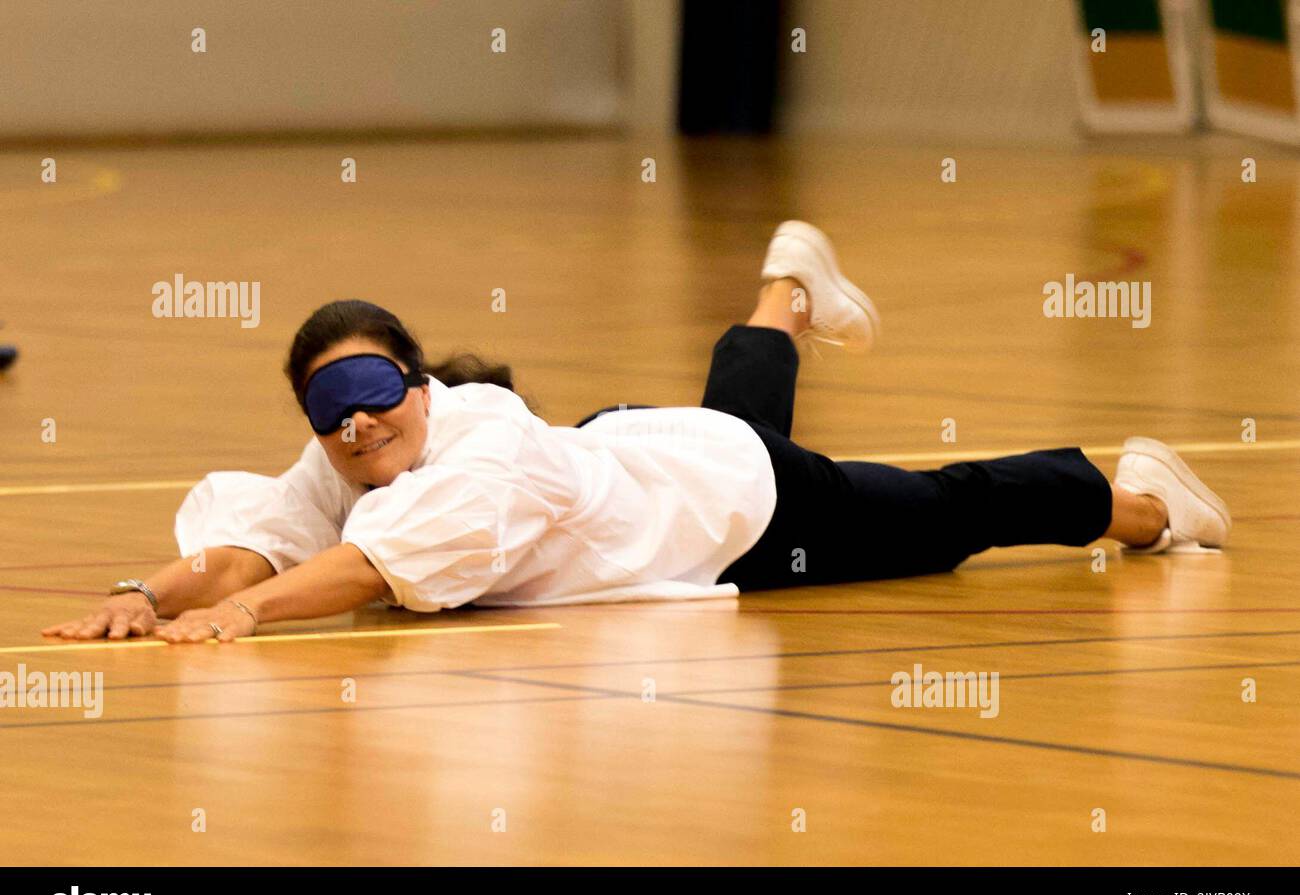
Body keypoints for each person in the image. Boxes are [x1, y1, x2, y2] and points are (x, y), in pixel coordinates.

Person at [42, 222, 1230, 644]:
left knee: (939, 515)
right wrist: (154, 592)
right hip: (636, 452)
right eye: (322, 405)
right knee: (734, 413)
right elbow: (263, 531)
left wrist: (245, 613)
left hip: (735, 514)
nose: (349, 421)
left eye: (366, 386)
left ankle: (1143, 503)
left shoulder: (482, 449)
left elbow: (358, 569)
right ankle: (786, 299)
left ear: (414, 379)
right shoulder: (353, 452)